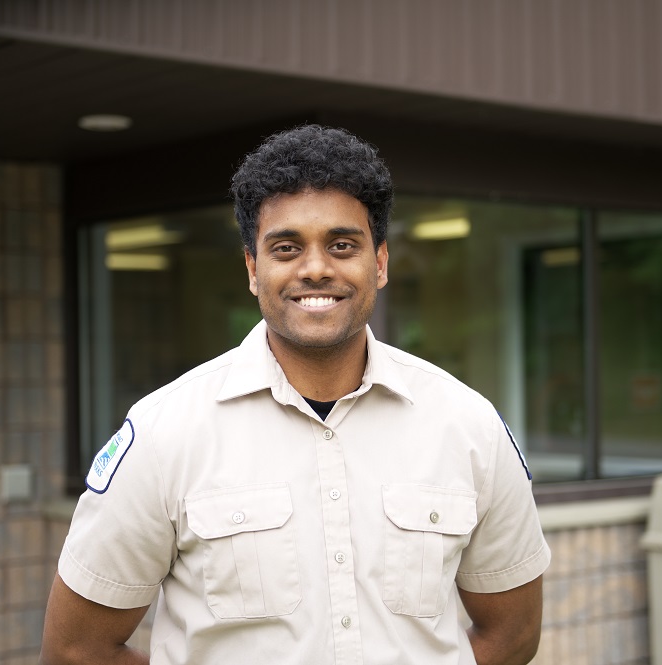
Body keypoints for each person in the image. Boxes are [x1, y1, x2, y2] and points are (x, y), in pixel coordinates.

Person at [40, 124, 550, 665]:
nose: (315, 268)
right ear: (253, 269)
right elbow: (76, 650)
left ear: (379, 263)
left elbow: (512, 634)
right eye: (286, 248)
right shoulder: (165, 432)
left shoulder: (467, 424)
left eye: (342, 244)